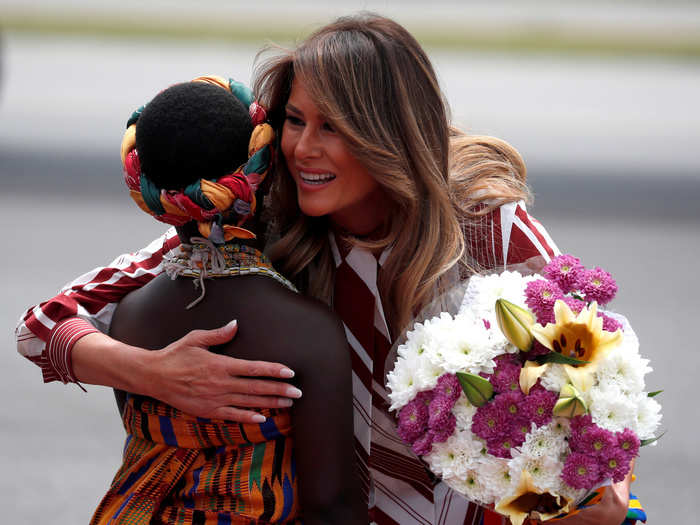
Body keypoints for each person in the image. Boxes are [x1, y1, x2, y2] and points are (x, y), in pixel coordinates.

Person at [16, 13, 640, 525]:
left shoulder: (489, 228)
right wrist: (156, 373)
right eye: (295, 120)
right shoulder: (262, 214)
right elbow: (40, 328)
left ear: (390, 135)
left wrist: (601, 502)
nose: (303, 149)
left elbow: (591, 389)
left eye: (334, 128)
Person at [90, 77, 363, 524]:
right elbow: (329, 502)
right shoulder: (306, 328)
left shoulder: (128, 315)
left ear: (152, 195)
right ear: (265, 170)